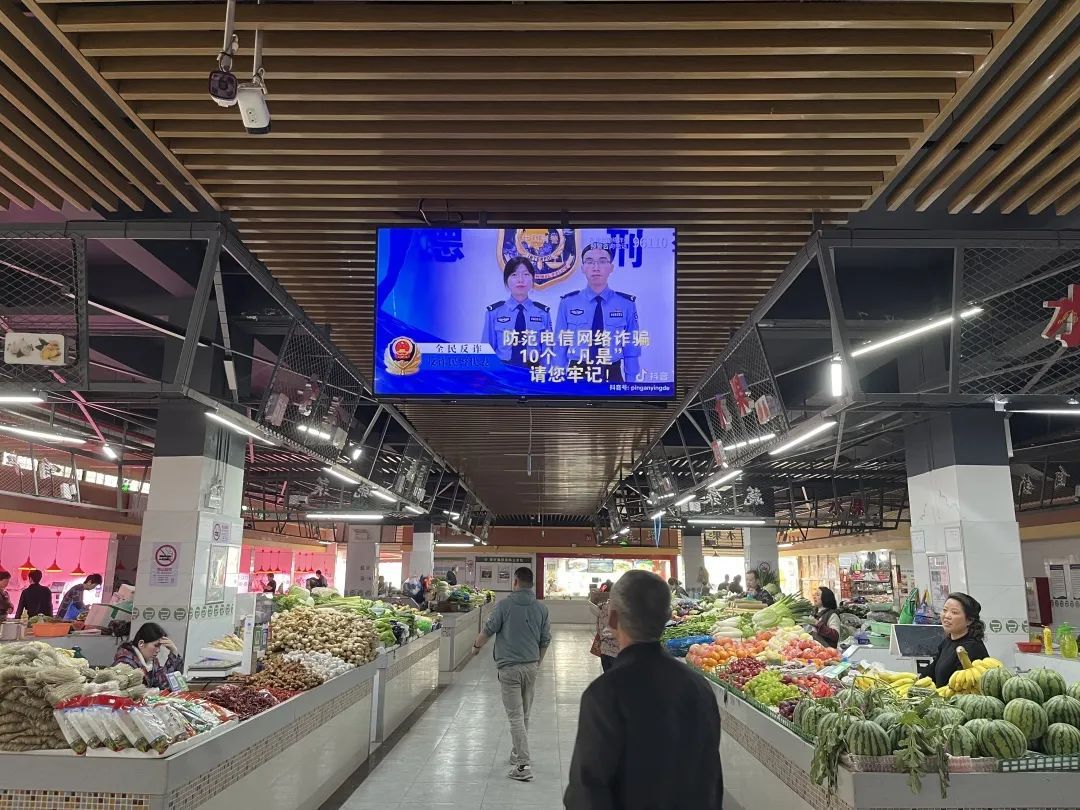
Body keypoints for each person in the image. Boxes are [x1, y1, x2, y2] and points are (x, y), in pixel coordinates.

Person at [564, 571, 723, 809]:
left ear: (612, 620)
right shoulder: (699, 687)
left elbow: (586, 792)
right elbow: (711, 778)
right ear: (667, 618)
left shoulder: (605, 693)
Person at [471, 566, 551, 783]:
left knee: (515, 716)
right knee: (524, 714)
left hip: (509, 669)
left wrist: (476, 646)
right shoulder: (541, 609)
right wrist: (536, 664)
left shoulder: (504, 605)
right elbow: (545, 640)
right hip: (531, 666)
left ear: (515, 582)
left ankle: (523, 765)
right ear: (531, 584)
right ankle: (517, 752)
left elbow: (488, 630)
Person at [554, 241, 642, 382]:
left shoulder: (626, 304)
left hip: (612, 373)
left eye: (602, 261)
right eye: (589, 262)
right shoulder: (568, 302)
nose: (596, 267)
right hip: (577, 372)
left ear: (611, 267)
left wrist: (631, 386)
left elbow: (631, 348)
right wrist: (557, 380)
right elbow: (560, 346)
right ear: (582, 268)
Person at [483, 256, 553, 367]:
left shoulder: (543, 313)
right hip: (503, 372)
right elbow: (486, 350)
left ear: (532, 279)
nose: (520, 280)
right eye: (514, 275)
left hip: (533, 372)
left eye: (526, 274)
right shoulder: (494, 313)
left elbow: (547, 352)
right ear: (506, 280)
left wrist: (545, 375)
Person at [919, 592, 989, 688]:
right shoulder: (946, 642)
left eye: (954, 612)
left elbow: (960, 685)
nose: (947, 616)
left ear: (969, 620)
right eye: (945, 610)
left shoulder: (972, 648)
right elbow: (932, 671)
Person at [113, 622, 184, 689]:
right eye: (156, 645)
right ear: (141, 644)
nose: (158, 650)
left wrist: (174, 652)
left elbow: (162, 683)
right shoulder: (125, 663)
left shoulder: (152, 662)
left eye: (159, 646)